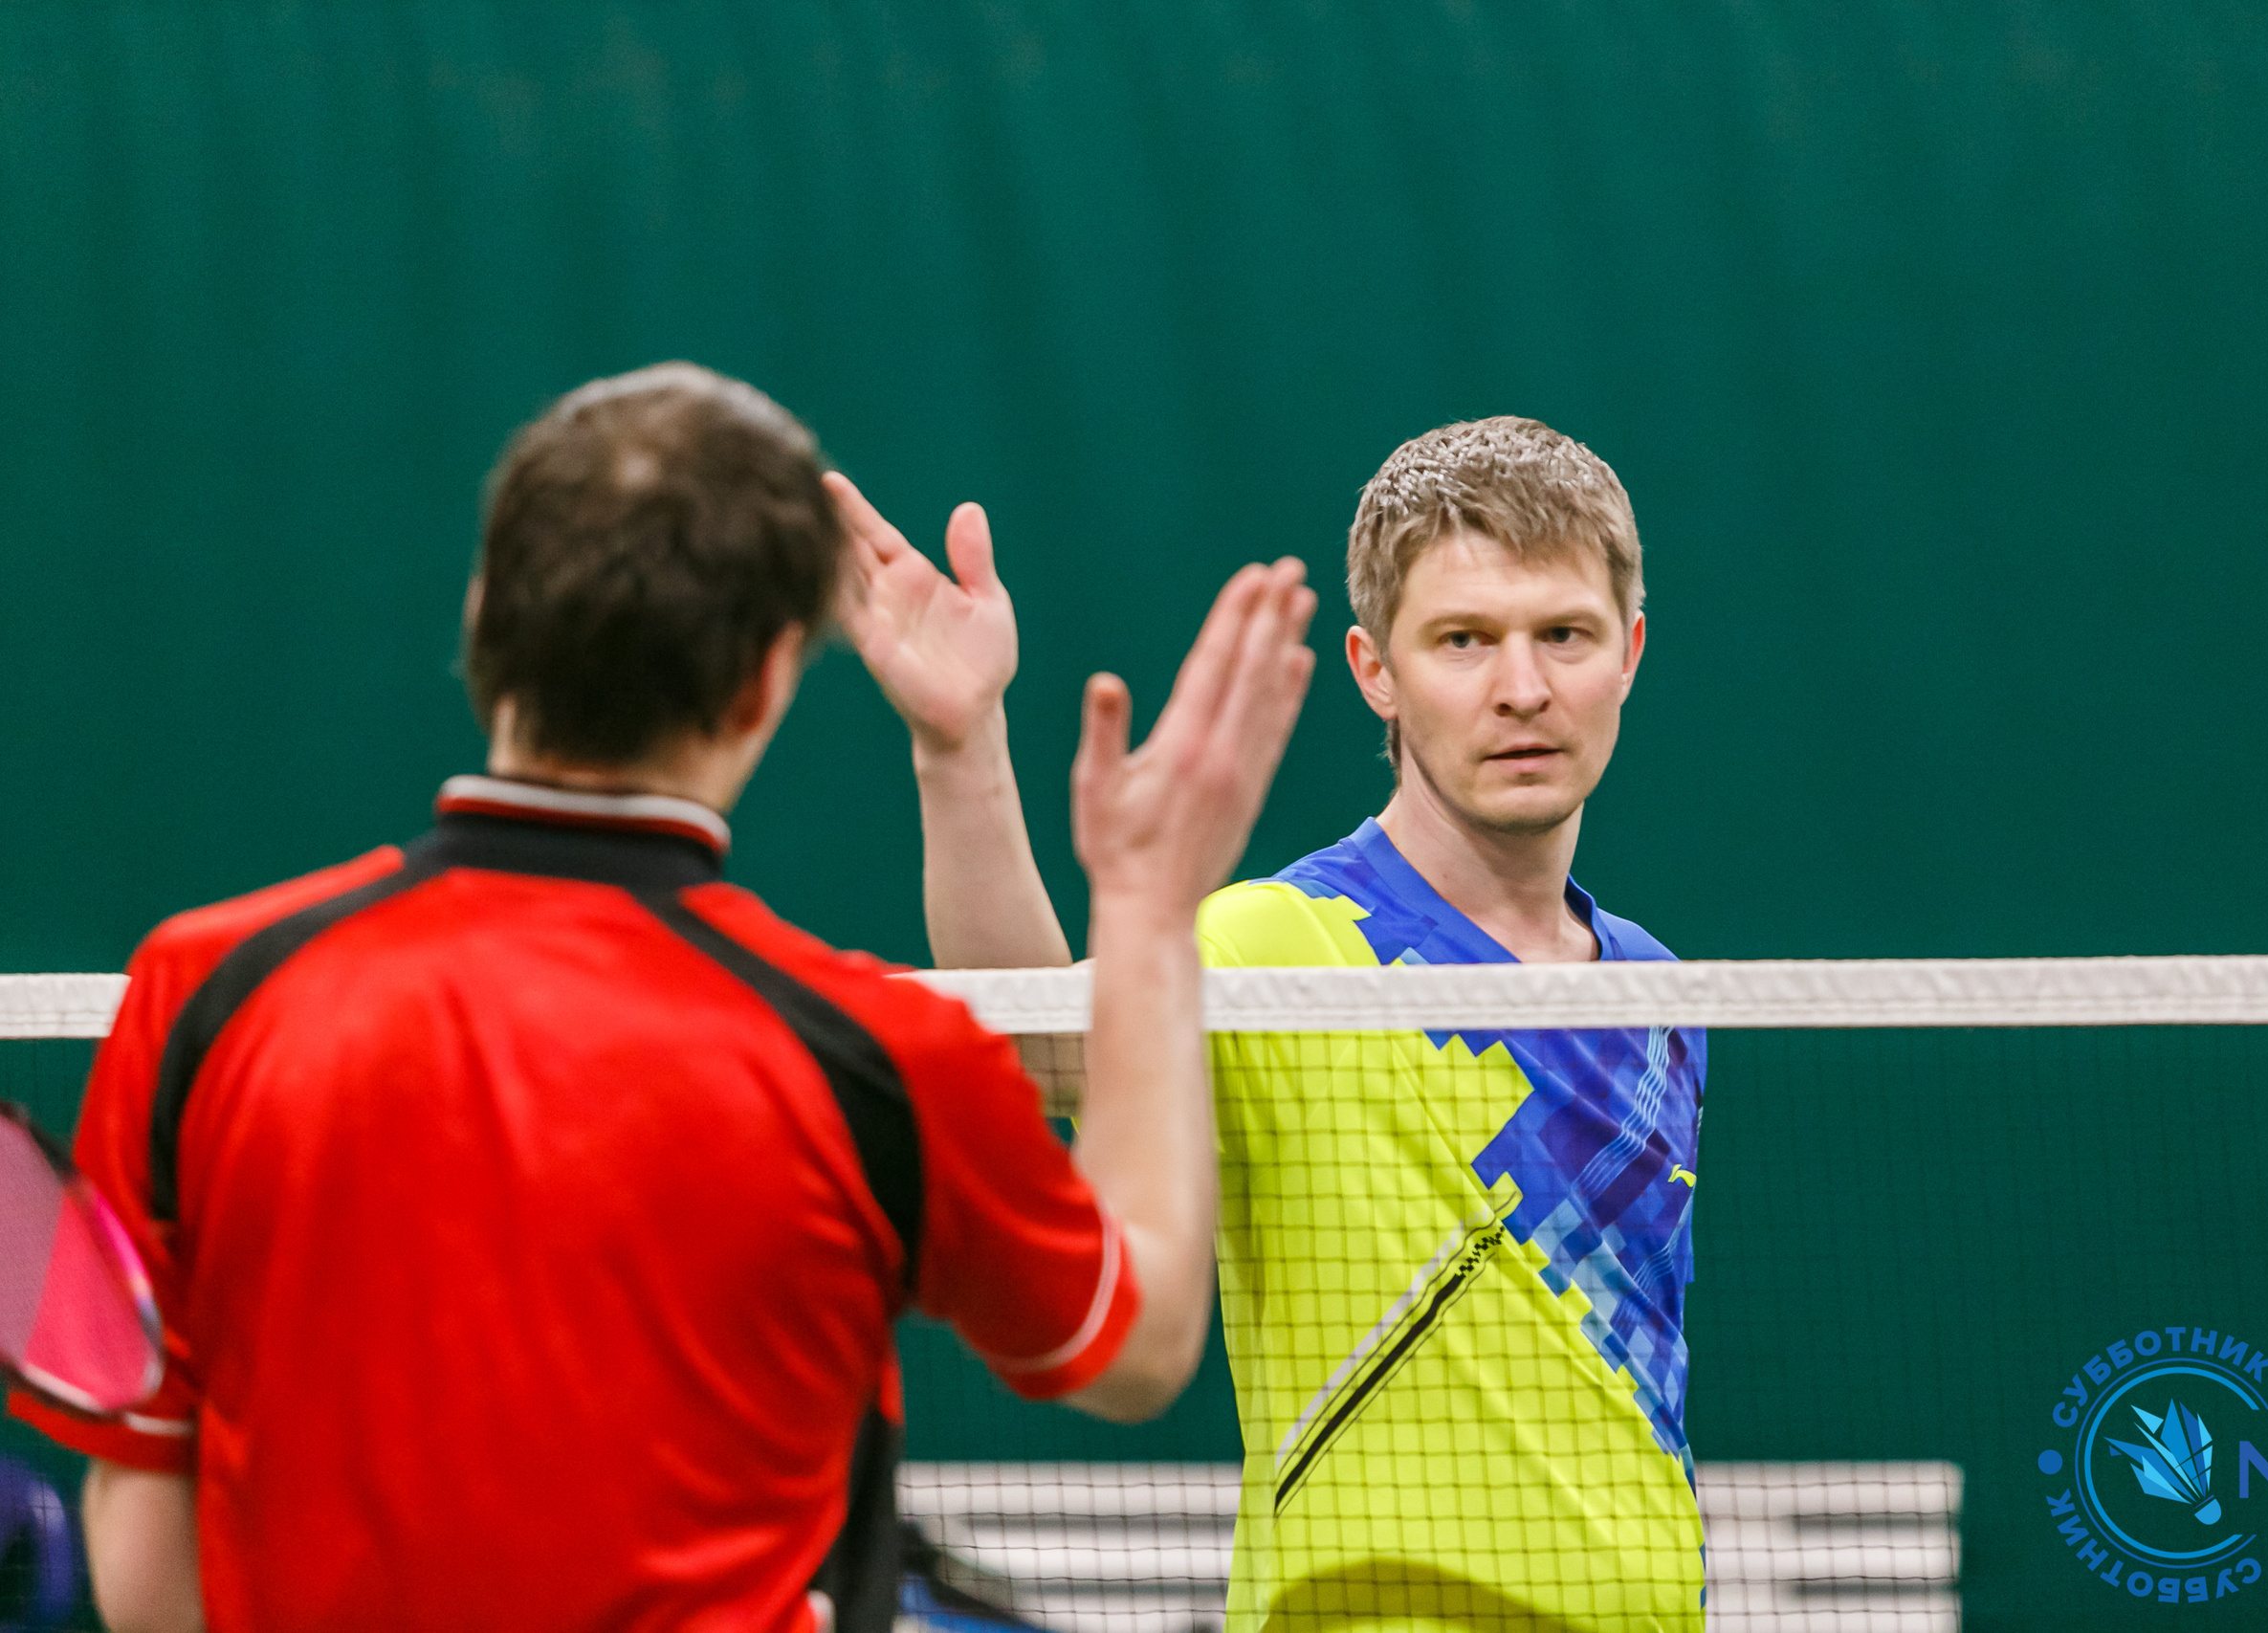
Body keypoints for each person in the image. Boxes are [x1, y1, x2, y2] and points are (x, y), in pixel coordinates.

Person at [13, 363, 1317, 1633]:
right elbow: (1134, 1343)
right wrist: (1144, 914)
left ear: (482, 620)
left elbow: (143, 1536)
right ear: (765, 682)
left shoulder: (201, 987)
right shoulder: (874, 1052)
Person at [847, 416, 1706, 1630]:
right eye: (1463, 641)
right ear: (1375, 669)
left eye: (1560, 635)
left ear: (1627, 650)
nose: (1523, 688)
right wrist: (958, 746)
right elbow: (1038, 1045)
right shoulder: (1278, 944)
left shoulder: (1660, 993)